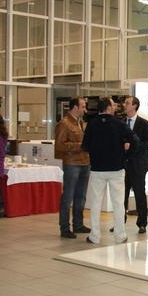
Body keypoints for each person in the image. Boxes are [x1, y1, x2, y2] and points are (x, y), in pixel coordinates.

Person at [82, 97, 139, 244]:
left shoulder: (92, 124)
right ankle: (120, 236)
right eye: (113, 105)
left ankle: (94, 236)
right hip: (116, 168)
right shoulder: (119, 124)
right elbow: (135, 140)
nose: (115, 107)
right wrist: (126, 154)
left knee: (95, 203)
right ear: (108, 108)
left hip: (97, 168)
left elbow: (84, 146)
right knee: (118, 203)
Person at [55, 96, 91, 239]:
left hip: (84, 163)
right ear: (75, 107)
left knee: (81, 196)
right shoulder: (64, 124)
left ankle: (78, 224)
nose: (85, 109)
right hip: (72, 164)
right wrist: (80, 146)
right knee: (68, 196)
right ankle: (64, 227)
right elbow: (59, 145)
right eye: (83, 107)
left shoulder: (81, 123)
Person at [123, 96, 148, 234]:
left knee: (139, 195)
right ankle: (119, 221)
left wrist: (133, 145)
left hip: (138, 165)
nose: (124, 105)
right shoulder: (121, 123)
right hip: (123, 165)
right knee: (121, 195)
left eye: (127, 103)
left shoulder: (144, 123)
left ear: (134, 106)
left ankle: (142, 223)